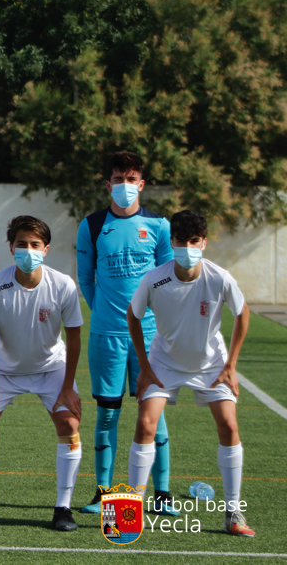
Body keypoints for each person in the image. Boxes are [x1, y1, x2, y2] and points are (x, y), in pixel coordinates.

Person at [127, 210, 255, 537]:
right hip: (164, 363)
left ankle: (233, 512)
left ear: (204, 242)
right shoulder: (155, 278)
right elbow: (134, 315)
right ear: (172, 243)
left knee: (229, 424)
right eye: (181, 241)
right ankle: (131, 511)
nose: (187, 247)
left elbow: (242, 314)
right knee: (145, 423)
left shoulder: (219, 278)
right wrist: (144, 365)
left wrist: (231, 366)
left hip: (211, 364)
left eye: (194, 241)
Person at [0, 216, 83, 532]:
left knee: (69, 424)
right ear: (11, 248)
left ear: (46, 248)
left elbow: (73, 337)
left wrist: (68, 388)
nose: (27, 250)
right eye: (21, 245)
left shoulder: (63, 285)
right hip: (3, 371)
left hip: (50, 369)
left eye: (34, 245)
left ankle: (63, 508)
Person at [76, 151, 176, 515]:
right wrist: (104, 312)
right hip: (107, 335)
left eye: (131, 179)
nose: (124, 186)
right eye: (118, 179)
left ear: (142, 184)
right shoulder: (90, 225)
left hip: (151, 337)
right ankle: (103, 492)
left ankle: (162, 495)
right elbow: (86, 279)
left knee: (154, 415)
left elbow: (167, 281)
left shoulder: (161, 226)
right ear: (108, 184)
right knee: (107, 414)